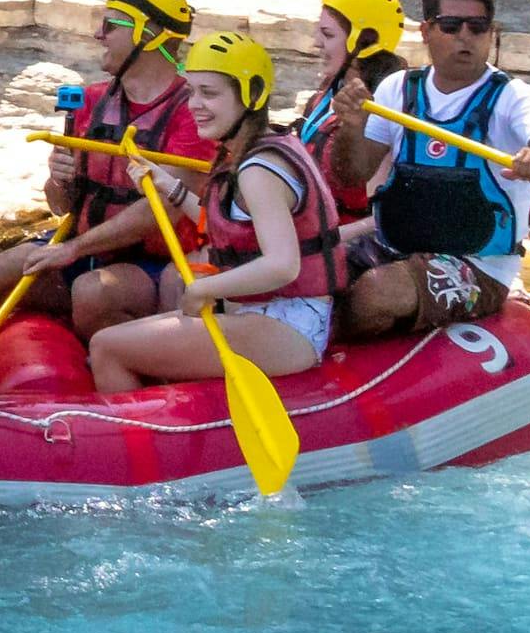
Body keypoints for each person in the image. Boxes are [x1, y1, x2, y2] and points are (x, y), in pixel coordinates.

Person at [84, 32, 344, 394]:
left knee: (106, 347)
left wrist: (207, 288)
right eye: (191, 91)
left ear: (251, 95)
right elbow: (224, 223)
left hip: (289, 324)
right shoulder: (253, 151)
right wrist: (167, 185)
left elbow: (283, 265)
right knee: (130, 339)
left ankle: (137, 446)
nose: (194, 105)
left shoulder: (259, 170)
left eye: (210, 93)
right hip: (267, 314)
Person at [337, 0, 530, 338]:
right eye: (450, 26)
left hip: (479, 266)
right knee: (307, 272)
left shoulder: (513, 97)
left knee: (376, 293)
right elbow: (351, 173)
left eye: (477, 27)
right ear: (426, 31)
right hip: (395, 246)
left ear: (491, 33)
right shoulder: (397, 89)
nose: (465, 36)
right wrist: (352, 126)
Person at [0, 0, 204, 333]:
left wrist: (74, 250)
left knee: (93, 293)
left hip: (153, 264)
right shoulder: (91, 102)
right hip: (84, 249)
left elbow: (159, 210)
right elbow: (62, 206)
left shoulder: (192, 113)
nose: (99, 35)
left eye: (111, 25)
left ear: (148, 35)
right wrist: (58, 179)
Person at [295, 0, 405, 213]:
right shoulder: (323, 96)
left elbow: (378, 217)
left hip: (350, 243)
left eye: (327, 34)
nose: (316, 43)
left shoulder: (389, 106)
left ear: (365, 41)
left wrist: (322, 240)